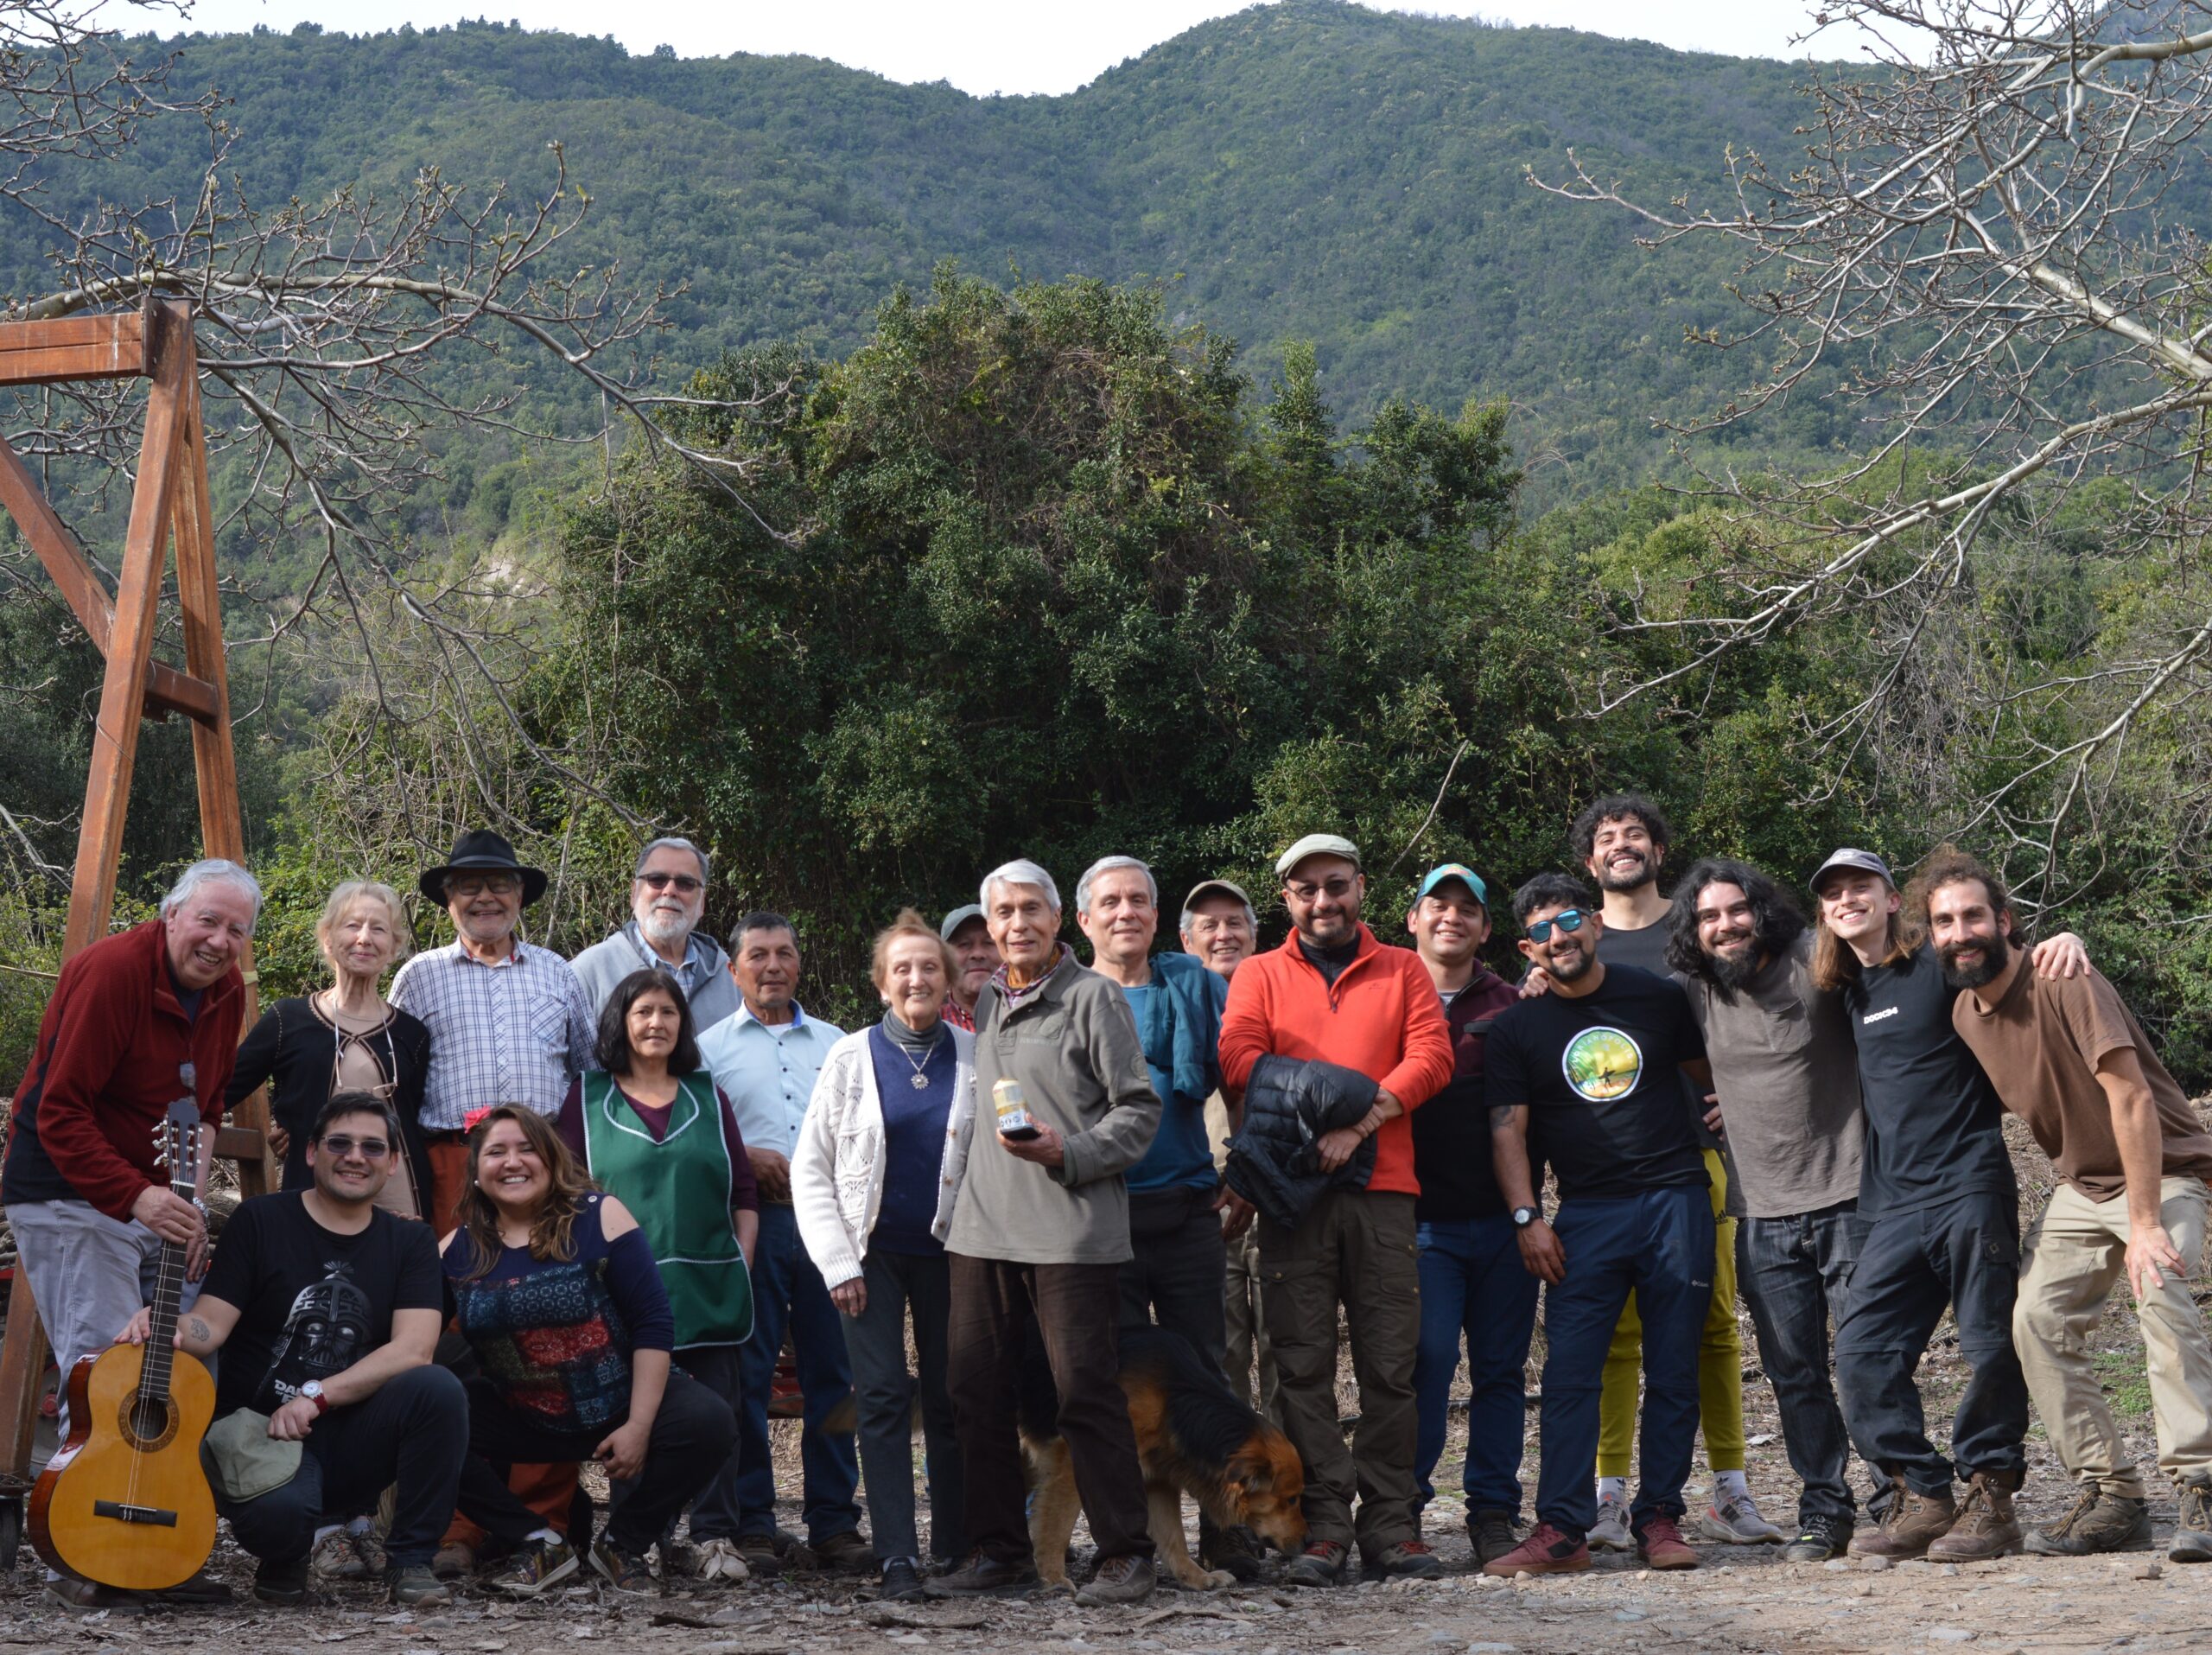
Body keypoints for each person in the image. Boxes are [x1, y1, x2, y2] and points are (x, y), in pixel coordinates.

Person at [1924, 848, 2212, 1563]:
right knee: (2035, 1319)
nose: (1960, 931)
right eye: (1943, 921)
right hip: (2082, 1187)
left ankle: (2201, 1481)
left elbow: (2132, 1095)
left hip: (2165, 1169)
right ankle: (2114, 1493)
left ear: (2005, 921)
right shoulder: (1963, 1010)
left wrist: (2145, 1224)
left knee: (2161, 1286)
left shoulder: (2065, 976)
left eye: (1972, 915)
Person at [1811, 847, 2084, 1562]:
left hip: (1968, 1183)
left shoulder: (1934, 963)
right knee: (1862, 1351)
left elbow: (2002, 956)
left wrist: (2061, 940)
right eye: (1833, 892)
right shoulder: (1846, 990)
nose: (1848, 899)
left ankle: (1992, 1499)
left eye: (1860, 886)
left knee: (1991, 1344)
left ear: (1892, 898)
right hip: (1891, 1203)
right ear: (1825, 912)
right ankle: (1925, 1493)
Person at [124, 1090, 468, 1608]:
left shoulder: (411, 1244)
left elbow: (415, 1349)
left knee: (437, 1387)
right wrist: (171, 1323)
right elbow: (211, 1328)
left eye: (374, 1148)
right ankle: (286, 1553)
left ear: (394, 1163)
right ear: (311, 1152)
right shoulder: (261, 1221)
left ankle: (411, 1562)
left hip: (353, 1435)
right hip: (260, 1434)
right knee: (282, 1518)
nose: (356, 1156)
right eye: (340, 1142)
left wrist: (315, 1396)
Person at [1217, 833, 1454, 1587]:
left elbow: (1432, 1056)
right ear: (1286, 898)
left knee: (1392, 1364)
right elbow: (1239, 1059)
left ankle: (1391, 1521)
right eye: (1307, 889)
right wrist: (1331, 1093)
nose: (1325, 900)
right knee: (1299, 1366)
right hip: (1292, 1194)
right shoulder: (1258, 972)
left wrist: (1356, 1123)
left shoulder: (1404, 967)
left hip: (1382, 1191)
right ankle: (1321, 1521)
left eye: (1337, 884)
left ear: (1360, 887)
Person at [932, 858, 1163, 1606]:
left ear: (1059, 919)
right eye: (1003, 914)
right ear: (990, 927)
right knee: (975, 1392)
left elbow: (1139, 1110)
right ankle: (997, 1549)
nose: (1017, 924)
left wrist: (1070, 1151)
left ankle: (1127, 1553)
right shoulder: (988, 998)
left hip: (1071, 1231)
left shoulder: (1094, 997)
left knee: (1085, 1394)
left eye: (1031, 908)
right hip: (982, 1230)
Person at [1482, 874, 1718, 1578]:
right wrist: (1528, 1217)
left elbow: (1711, 1076)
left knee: (1674, 1363)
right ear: (1529, 947)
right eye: (1544, 930)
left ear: (1595, 925)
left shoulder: (1658, 997)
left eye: (1572, 920)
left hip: (1676, 1197)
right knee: (1570, 1373)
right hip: (1585, 1212)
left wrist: (1729, 1109)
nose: (1561, 936)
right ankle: (1562, 1527)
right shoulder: (1517, 1027)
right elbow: (1507, 1134)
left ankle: (1660, 1517)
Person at [1566, 794, 1773, 1550]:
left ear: (1659, 848)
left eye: (1635, 834)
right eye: (1606, 838)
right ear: (1591, 863)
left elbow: (1758, 1018)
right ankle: (1609, 1495)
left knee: (1715, 1326)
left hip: (1698, 1160)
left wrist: (1743, 1104)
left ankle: (1730, 1487)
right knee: (1619, 1337)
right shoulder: (1578, 942)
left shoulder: (1695, 935)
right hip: (1605, 1174)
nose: (1622, 846)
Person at [4, 860, 256, 1445]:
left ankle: (157, 1509)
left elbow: (209, 1107)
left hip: (155, 1198)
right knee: (107, 1377)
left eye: (236, 930)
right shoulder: (114, 970)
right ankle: (86, 1526)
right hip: (70, 1192)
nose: (220, 941)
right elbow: (59, 1113)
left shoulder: (228, 991)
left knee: (179, 1362)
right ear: (171, 914)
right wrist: (137, 1195)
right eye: (208, 920)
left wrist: (188, 1205)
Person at [1662, 858, 1867, 1562]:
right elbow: (1611, 1006)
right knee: (1796, 1372)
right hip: (1762, 1212)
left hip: (1851, 1195)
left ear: (1762, 909)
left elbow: (1903, 964)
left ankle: (1904, 1492)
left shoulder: (1817, 956)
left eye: (1735, 909)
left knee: (1870, 1356)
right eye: (1709, 916)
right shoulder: (1693, 990)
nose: (1725, 925)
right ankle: (1824, 1509)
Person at [444, 1106, 739, 1594]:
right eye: (496, 1152)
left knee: (710, 1420)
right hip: (523, 1416)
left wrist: (639, 1427)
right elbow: (412, 1335)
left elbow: (652, 1323)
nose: (512, 1162)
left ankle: (623, 1543)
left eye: (527, 1148)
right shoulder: (455, 1250)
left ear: (552, 1160)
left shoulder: (600, 1217)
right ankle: (537, 1541)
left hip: (619, 1405)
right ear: (476, 1173)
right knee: (426, 1421)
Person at [792, 910, 979, 1602]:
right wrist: (837, 1260)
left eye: (929, 966)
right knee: (878, 1397)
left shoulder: (975, 1051)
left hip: (954, 1253)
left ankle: (957, 1547)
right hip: (868, 1256)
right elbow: (811, 1167)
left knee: (952, 1397)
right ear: (881, 984)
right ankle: (897, 1553)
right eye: (902, 967)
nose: (916, 977)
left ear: (948, 979)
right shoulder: (850, 1054)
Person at [1075, 854, 1250, 1577]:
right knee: (1111, 1384)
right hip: (1097, 1215)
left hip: (1185, 1212)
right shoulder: (1067, 995)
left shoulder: (1197, 986)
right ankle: (1131, 1545)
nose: (1126, 912)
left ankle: (1229, 1535)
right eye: (1110, 901)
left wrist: (1241, 1170)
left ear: (1156, 914)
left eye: (1139, 900)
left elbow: (1238, 1078)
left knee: (1206, 1374)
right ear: (1083, 918)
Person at [556, 967, 762, 1582]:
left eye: (668, 1012)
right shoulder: (587, 1097)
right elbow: (564, 1195)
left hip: (710, 1287)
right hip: (620, 1294)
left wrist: (740, 1264)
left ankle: (713, 1537)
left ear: (682, 1023)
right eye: (643, 1010)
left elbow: (744, 1191)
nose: (656, 1022)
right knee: (637, 1416)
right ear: (621, 1020)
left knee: (719, 1415)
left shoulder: (707, 1093)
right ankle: (637, 1540)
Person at [696, 913, 868, 1574]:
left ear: (801, 965)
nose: (773, 965)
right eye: (758, 955)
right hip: (753, 1222)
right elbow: (696, 1135)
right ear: (735, 969)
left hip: (830, 1226)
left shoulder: (839, 1044)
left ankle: (833, 1522)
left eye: (785, 954)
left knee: (835, 1372)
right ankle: (753, 1521)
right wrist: (746, 1155)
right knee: (749, 1374)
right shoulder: (707, 1050)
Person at [1403, 863, 1529, 1567]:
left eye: (1467, 909)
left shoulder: (1513, 1004)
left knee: (1501, 1372)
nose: (1451, 916)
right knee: (1425, 1362)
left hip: (1503, 1222)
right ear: (1413, 917)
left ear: (1484, 928)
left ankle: (1491, 1512)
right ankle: (1406, 1507)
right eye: (1437, 904)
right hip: (1419, 1224)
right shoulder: (1388, 990)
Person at [389, 829, 596, 1232]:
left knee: (551, 1275)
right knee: (458, 1279)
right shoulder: (419, 977)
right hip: (454, 1163)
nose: (485, 897)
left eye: (499, 884)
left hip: (544, 1159)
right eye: (469, 886)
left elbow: (591, 1075)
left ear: (518, 896)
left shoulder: (558, 972)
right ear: (449, 900)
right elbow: (391, 1078)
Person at [227, 879, 432, 1218]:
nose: (364, 938)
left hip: (402, 1204)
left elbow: (421, 1120)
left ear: (394, 947)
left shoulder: (413, 1034)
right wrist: (293, 1123)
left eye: (378, 929)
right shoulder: (287, 1020)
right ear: (328, 939)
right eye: (352, 926)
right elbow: (217, 1091)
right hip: (314, 1203)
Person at [570, 837, 741, 1033]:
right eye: (657, 880)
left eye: (685, 883)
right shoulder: (590, 970)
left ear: (702, 902)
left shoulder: (729, 977)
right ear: (633, 893)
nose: (669, 891)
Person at [939, 905, 999, 1034]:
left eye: (989, 943)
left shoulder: (1031, 1017)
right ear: (944, 959)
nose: (978, 954)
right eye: (964, 944)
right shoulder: (928, 1026)